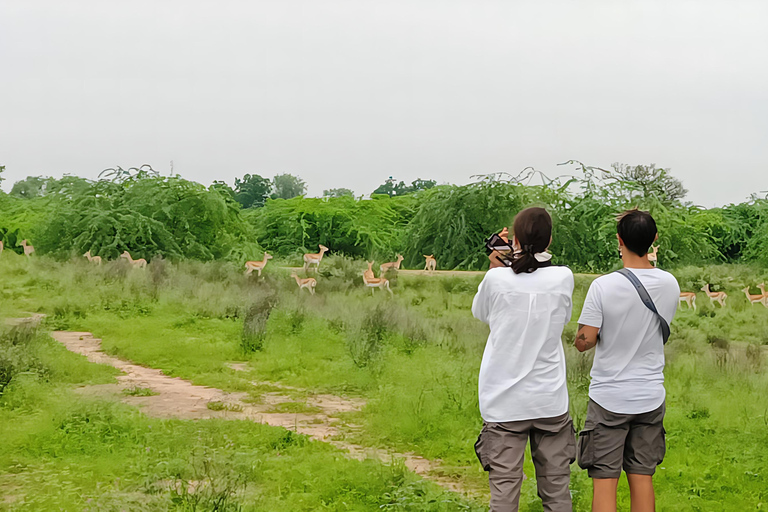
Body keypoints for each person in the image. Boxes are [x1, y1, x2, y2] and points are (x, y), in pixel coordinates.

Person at [574, 209, 680, 512]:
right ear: (654, 239)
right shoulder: (670, 283)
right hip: (650, 395)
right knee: (642, 477)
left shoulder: (603, 286)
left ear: (618, 240)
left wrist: (580, 335)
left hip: (609, 397)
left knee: (605, 480)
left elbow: (585, 342)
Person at [472, 207, 576, 512]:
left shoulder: (497, 279)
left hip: (504, 402)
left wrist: (497, 265)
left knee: (504, 494)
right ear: (550, 239)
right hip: (549, 399)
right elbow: (564, 315)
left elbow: (482, 313)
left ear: (514, 239)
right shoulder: (563, 277)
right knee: (557, 493)